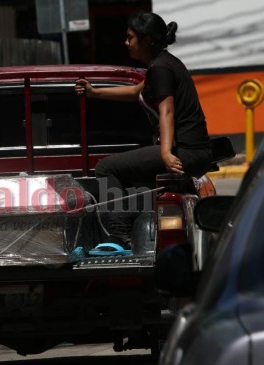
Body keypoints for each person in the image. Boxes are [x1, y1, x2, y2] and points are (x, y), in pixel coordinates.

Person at [75, 12, 212, 254]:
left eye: (130, 37)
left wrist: (166, 152)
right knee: (127, 182)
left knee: (106, 168)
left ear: (147, 39)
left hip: (186, 151)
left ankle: (118, 237)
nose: (126, 43)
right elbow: (135, 92)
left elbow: (167, 110)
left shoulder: (161, 68)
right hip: (192, 150)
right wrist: (94, 93)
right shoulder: (162, 64)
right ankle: (133, 228)